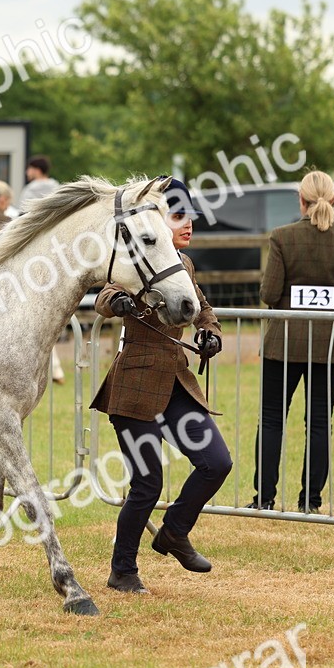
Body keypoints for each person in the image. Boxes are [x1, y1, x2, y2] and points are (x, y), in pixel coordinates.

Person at [90, 178, 231, 594]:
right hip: (133, 387)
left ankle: (173, 532)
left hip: (176, 386)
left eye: (192, 218)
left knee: (216, 463)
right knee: (148, 482)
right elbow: (106, 293)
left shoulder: (183, 267)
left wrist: (211, 334)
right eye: (179, 217)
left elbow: (204, 310)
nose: (189, 225)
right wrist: (114, 303)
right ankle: (123, 571)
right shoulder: (134, 259)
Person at [249, 170, 334, 513]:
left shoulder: (283, 237)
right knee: (318, 423)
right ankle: (310, 502)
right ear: (332, 200)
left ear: (300, 201)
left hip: (283, 343)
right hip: (331, 346)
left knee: (272, 419)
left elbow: (269, 293)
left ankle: (264, 499)